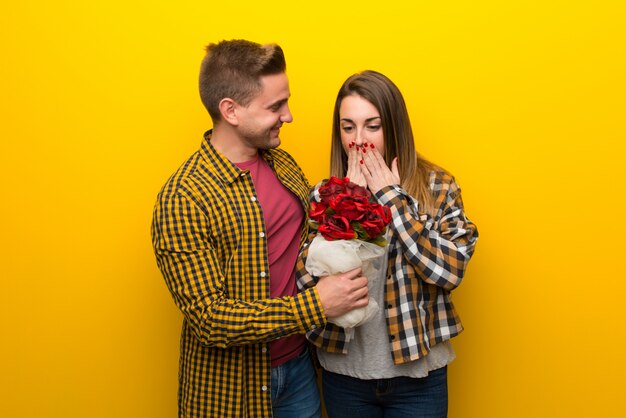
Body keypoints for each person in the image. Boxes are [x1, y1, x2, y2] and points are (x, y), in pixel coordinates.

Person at [151, 39, 370, 418]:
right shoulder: (182, 198)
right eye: (275, 106)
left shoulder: (283, 165)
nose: (289, 116)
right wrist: (315, 306)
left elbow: (312, 246)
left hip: (300, 373)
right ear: (230, 111)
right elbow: (209, 318)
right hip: (228, 392)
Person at [297, 70, 479, 418]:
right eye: (348, 127)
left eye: (373, 126)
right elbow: (307, 284)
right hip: (345, 375)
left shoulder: (438, 186)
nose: (359, 140)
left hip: (419, 378)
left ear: (394, 127)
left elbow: (450, 272)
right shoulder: (325, 194)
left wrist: (392, 199)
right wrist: (348, 205)